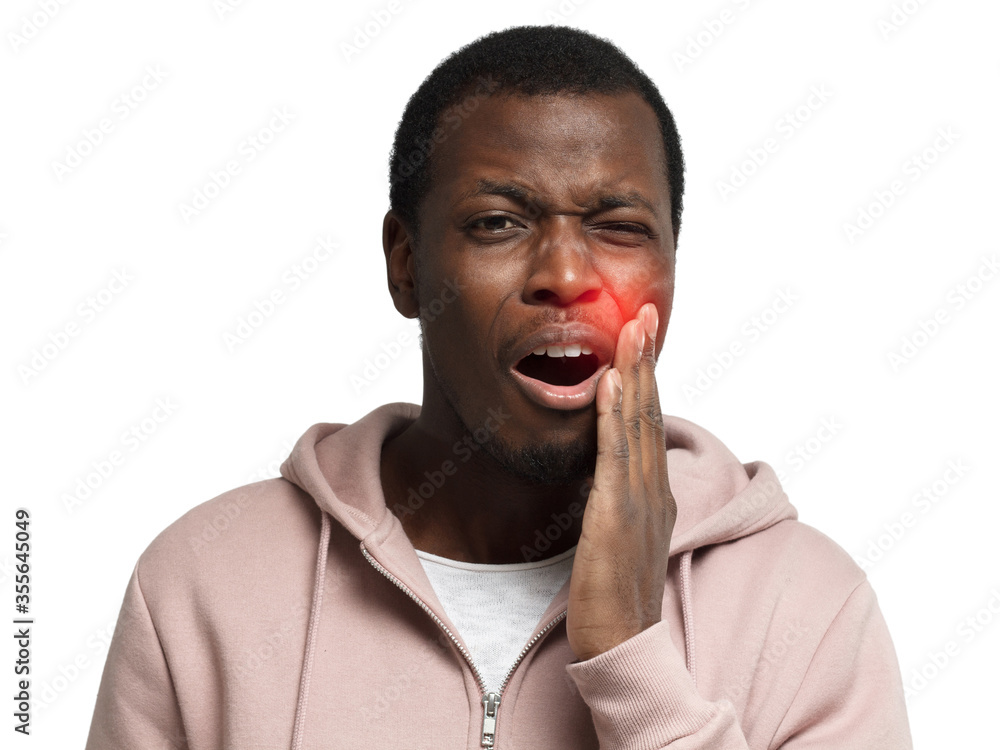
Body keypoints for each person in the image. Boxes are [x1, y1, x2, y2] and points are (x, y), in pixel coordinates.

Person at [85, 25, 912, 749]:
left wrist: (630, 659)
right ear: (406, 265)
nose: (564, 275)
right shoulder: (202, 586)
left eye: (619, 229)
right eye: (498, 223)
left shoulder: (808, 611)